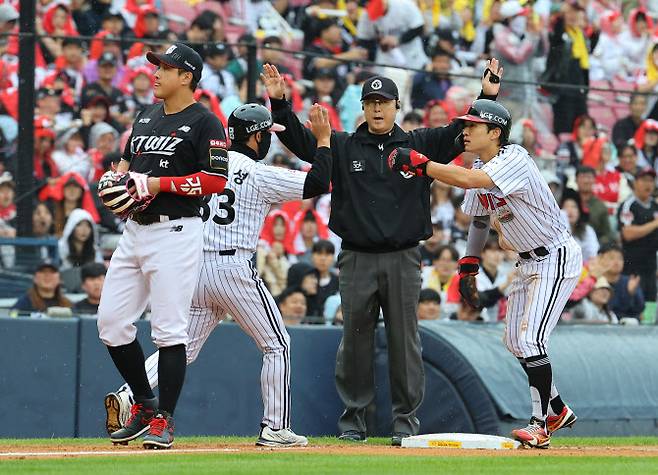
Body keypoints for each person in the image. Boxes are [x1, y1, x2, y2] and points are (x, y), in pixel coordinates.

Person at [263, 58, 503, 446]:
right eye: (371, 102)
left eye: (384, 102)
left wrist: (487, 94)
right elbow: (300, 142)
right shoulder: (341, 145)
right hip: (356, 257)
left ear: (396, 107)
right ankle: (354, 420)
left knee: (405, 342)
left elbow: (464, 136)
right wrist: (279, 103)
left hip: (404, 257)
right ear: (363, 107)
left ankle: (405, 422)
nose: (377, 108)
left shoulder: (419, 143)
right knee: (354, 340)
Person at [104, 102, 334, 447]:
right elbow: (319, 182)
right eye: (266, 135)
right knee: (277, 344)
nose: (267, 141)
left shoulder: (207, 161)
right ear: (256, 137)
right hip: (232, 268)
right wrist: (325, 140)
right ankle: (275, 427)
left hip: (192, 265)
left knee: (184, 348)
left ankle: (129, 394)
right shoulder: (258, 172)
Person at [388, 99, 582, 449]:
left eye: (472, 126)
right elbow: (479, 218)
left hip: (555, 256)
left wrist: (423, 164)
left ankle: (540, 426)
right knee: (513, 341)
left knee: (529, 341)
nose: (464, 130)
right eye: (464, 125)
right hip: (526, 261)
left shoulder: (513, 157)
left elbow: (467, 179)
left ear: (495, 132)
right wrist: (469, 265)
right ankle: (556, 408)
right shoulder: (481, 163)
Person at [96, 43, 230, 450]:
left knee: (169, 330)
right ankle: (145, 404)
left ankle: (165, 421)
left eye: (164, 68)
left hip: (176, 232)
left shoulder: (206, 122)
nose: (154, 73)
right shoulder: (146, 115)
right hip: (135, 231)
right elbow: (127, 165)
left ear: (186, 76)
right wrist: (114, 179)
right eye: (155, 66)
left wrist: (156, 184)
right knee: (111, 323)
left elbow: (215, 180)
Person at [617, 167, 658, 303]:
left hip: (651, 267)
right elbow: (628, 233)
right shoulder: (628, 205)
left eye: (651, 180)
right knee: (633, 306)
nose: (648, 184)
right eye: (644, 180)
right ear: (635, 183)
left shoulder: (655, 205)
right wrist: (654, 224)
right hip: (632, 268)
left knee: (650, 306)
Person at [311, 240, 339, 309]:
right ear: (312, 256)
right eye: (319, 253)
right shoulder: (305, 278)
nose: (323, 258)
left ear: (333, 258)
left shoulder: (338, 281)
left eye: (327, 254)